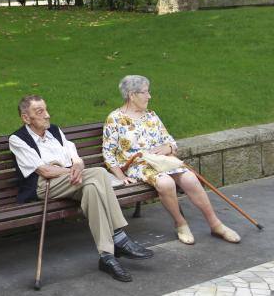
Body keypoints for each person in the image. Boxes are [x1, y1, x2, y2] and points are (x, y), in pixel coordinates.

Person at [9, 95, 153, 283]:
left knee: (92, 188)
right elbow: (44, 170)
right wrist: (71, 171)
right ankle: (120, 238)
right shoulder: (18, 139)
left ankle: (107, 257)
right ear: (26, 118)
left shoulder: (55, 131)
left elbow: (75, 157)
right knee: (99, 174)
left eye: (46, 109)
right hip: (45, 185)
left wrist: (77, 166)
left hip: (73, 180)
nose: (47, 115)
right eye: (40, 112)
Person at [102, 75, 240, 246]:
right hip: (138, 165)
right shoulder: (114, 119)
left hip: (162, 161)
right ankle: (180, 223)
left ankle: (215, 224)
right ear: (132, 95)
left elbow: (171, 142)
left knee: (190, 178)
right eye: (145, 92)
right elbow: (108, 154)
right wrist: (121, 177)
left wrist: (167, 149)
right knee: (166, 183)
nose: (149, 96)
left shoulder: (151, 116)